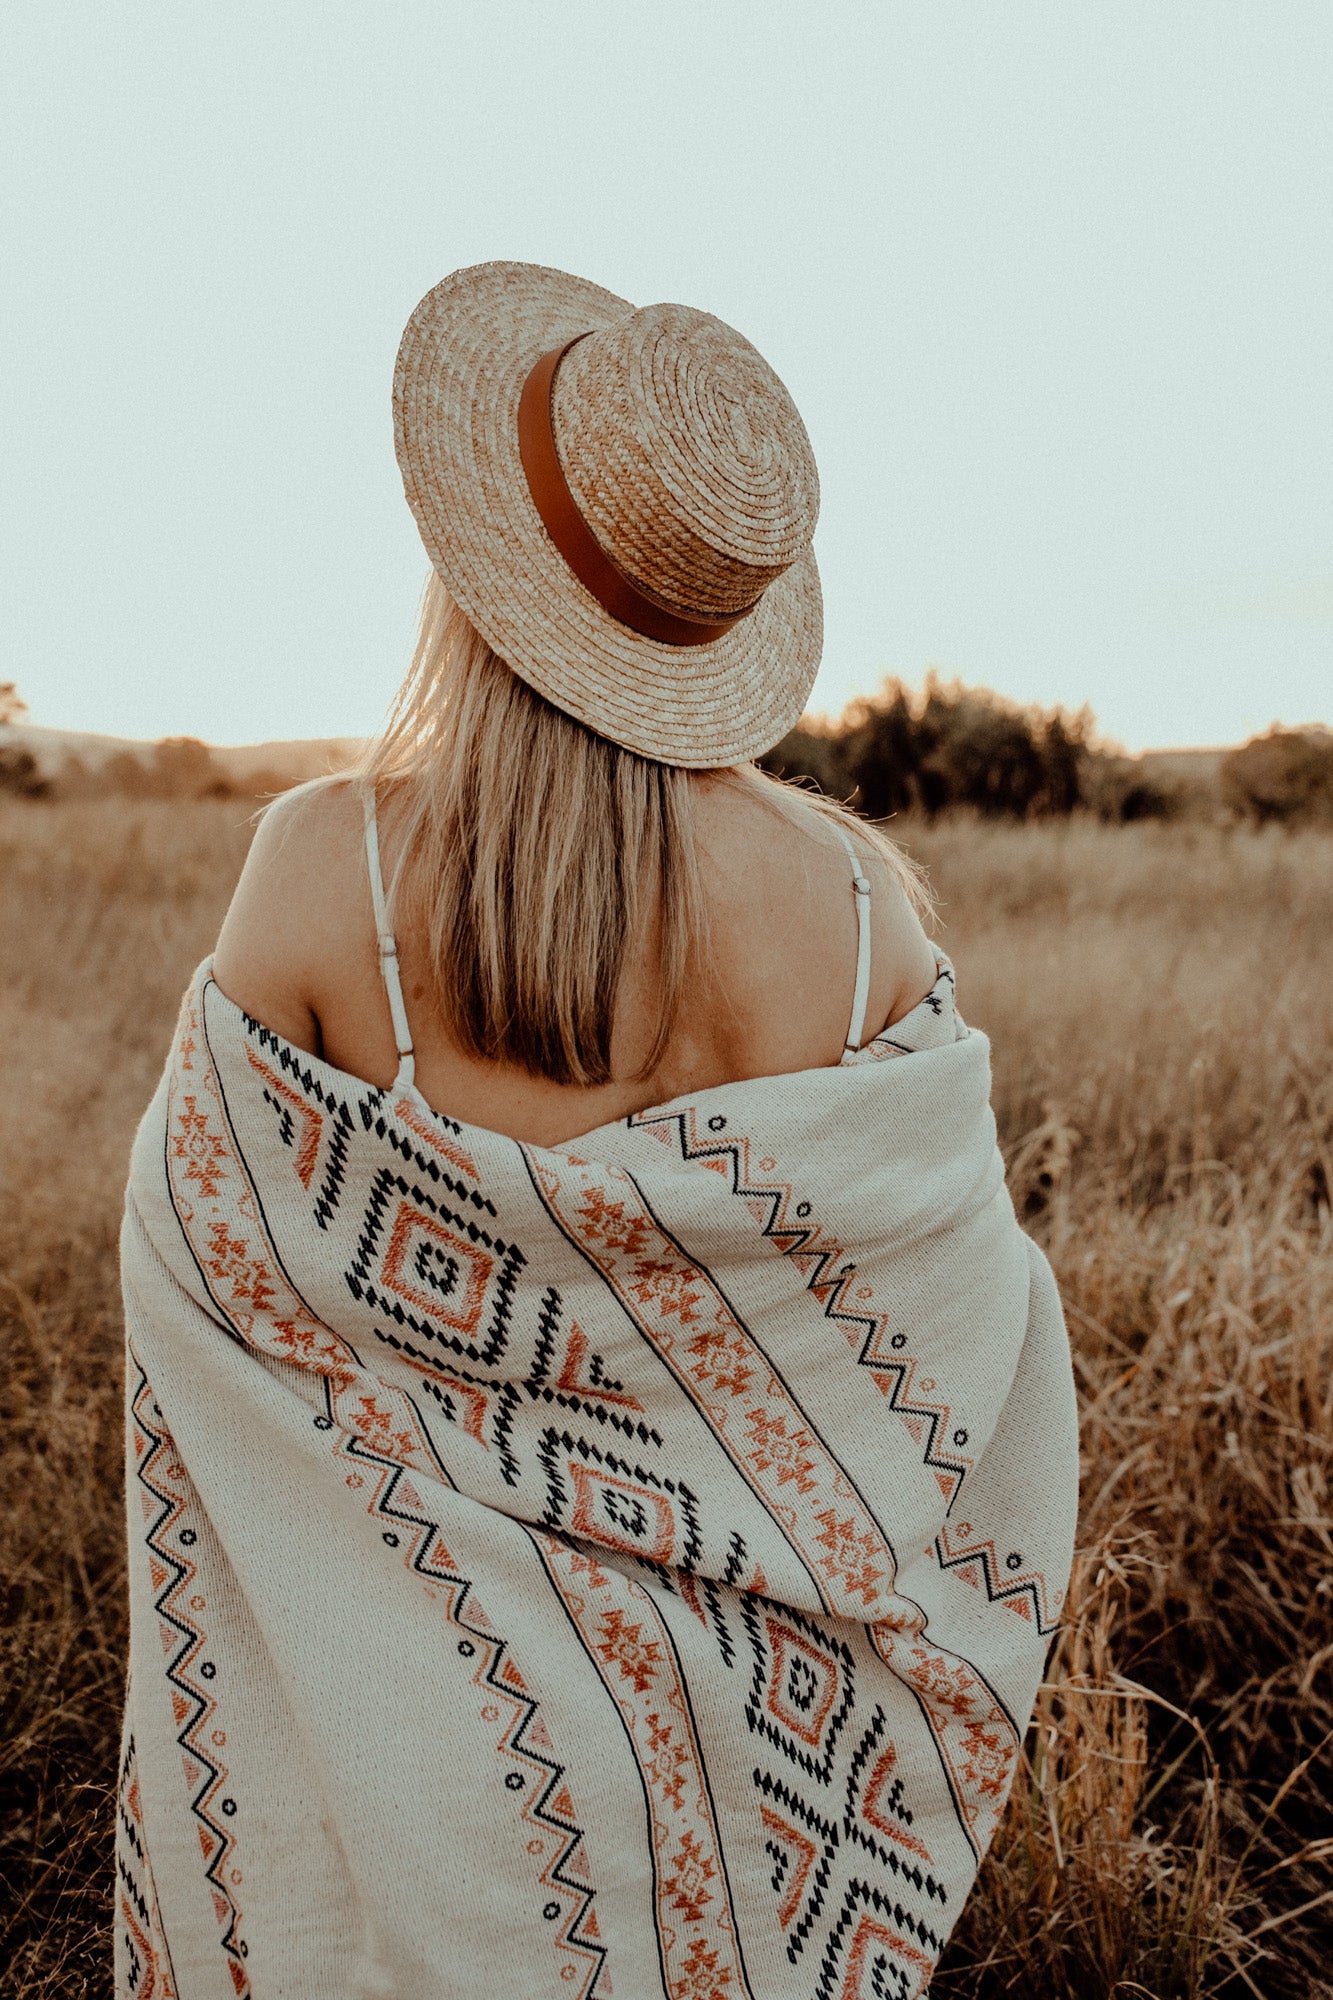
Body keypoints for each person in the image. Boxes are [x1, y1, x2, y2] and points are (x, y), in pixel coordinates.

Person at [117, 262, 1078, 2000]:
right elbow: (977, 1329)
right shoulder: (863, 910)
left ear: (470, 567)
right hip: (758, 1764)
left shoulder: (332, 873)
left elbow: (201, 1267)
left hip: (428, 1722)